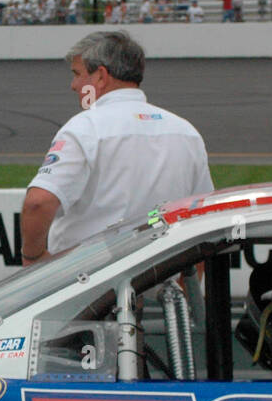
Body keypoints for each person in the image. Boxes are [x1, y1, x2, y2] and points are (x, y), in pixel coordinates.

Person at [20, 31, 213, 262]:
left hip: (90, 281)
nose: (74, 85)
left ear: (100, 76)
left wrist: (32, 256)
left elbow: (38, 203)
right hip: (160, 277)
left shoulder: (86, 127)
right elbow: (203, 216)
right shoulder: (185, 132)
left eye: (77, 74)